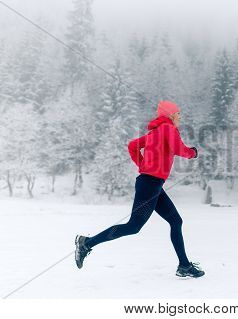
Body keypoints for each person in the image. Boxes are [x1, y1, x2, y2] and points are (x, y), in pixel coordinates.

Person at [75, 100, 205, 278]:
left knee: (176, 221)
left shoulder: (154, 133)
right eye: (178, 113)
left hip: (152, 184)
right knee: (133, 226)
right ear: (170, 115)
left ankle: (184, 265)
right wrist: (193, 152)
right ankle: (87, 243)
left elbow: (132, 146)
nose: (180, 117)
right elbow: (179, 149)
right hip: (150, 184)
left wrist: (143, 164)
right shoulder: (168, 129)